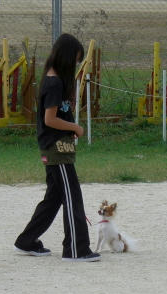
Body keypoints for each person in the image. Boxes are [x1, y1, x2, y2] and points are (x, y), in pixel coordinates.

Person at [14, 33, 101, 262]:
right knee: (73, 195)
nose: (76, 65)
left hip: (59, 146)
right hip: (55, 148)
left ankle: (27, 241)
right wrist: (75, 127)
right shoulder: (53, 82)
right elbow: (50, 119)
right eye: (75, 60)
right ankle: (76, 248)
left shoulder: (56, 81)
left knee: (54, 197)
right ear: (65, 57)